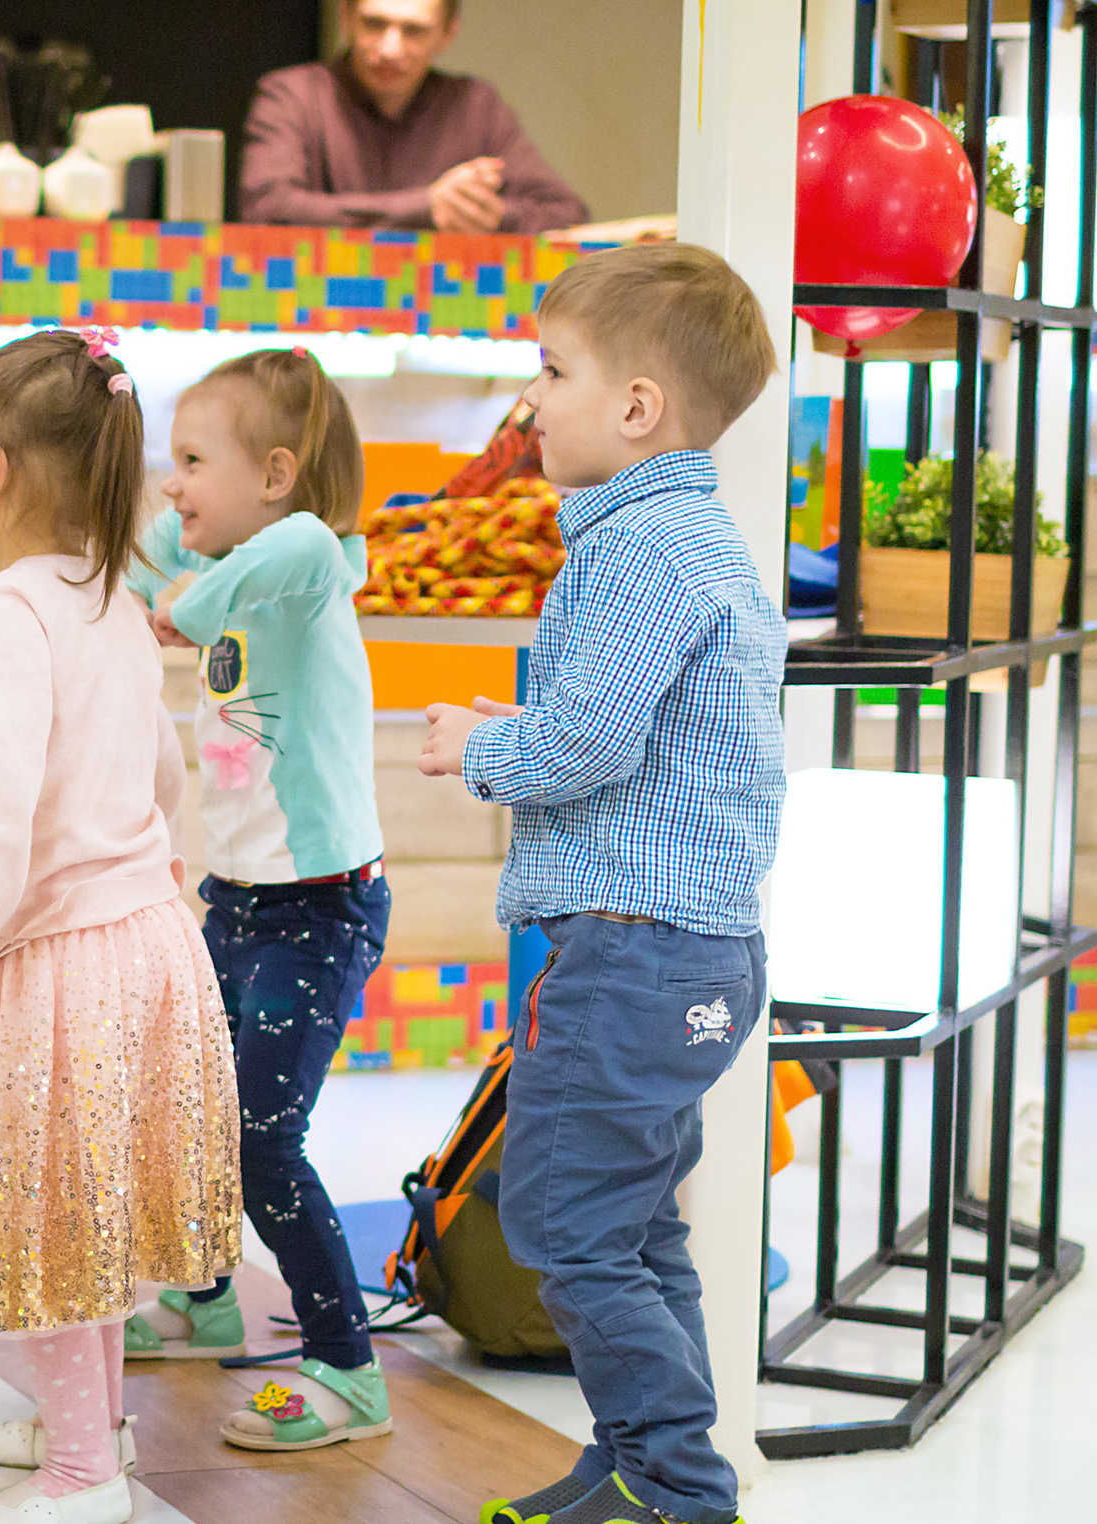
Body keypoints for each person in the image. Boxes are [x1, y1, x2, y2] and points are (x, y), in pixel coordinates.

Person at [419, 242, 784, 1524]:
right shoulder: (698, 540)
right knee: (631, 1226)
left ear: (637, 406)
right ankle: (646, 1459)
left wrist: (478, 746)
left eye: (550, 369)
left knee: (567, 1223)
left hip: (633, 953)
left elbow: (581, 743)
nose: (529, 399)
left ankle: (675, 1486)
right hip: (689, 953)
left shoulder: (635, 552)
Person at [0, 327, 242, 1524]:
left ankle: (87, 1472)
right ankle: (87, 1428)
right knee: (92, 1213)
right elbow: (162, 770)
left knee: (50, 1220)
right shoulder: (109, 600)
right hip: (149, 940)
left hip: (67, 963)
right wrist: (156, 874)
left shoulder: (2, 614)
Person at [108, 347, 394, 1453]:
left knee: (262, 1138)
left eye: (190, 461)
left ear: (275, 474)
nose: (171, 485)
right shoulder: (228, 555)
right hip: (234, 900)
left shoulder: (311, 563)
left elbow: (297, 542)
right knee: (196, 1115)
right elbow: (133, 565)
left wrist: (181, 601)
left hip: (319, 911)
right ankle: (206, 1298)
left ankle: (346, 1367)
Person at [241, 0, 589, 234]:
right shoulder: (291, 95)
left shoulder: (476, 106)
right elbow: (266, 209)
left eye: (414, 31)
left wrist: (478, 213)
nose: (391, 48)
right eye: (374, 23)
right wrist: (427, 207)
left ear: (449, 32)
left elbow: (567, 215)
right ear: (345, 14)